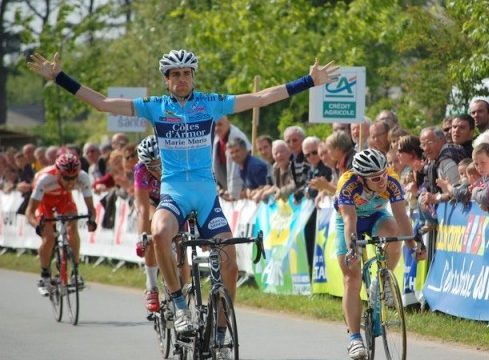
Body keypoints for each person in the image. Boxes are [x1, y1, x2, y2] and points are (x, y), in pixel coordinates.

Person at [28, 50, 338, 337]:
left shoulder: (210, 103)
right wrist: (59, 78)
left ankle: (219, 331)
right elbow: (103, 103)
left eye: (186, 73)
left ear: (193, 76)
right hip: (174, 193)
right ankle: (177, 304)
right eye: (174, 74)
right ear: (166, 80)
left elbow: (259, 97)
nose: (181, 79)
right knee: (160, 233)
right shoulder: (155, 107)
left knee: (230, 262)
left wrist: (308, 81)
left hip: (206, 196)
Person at [334, 149, 423, 359]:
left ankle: (382, 280)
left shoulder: (391, 180)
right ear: (361, 177)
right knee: (351, 278)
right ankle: (355, 339)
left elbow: (401, 217)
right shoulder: (348, 184)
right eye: (375, 178)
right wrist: (351, 249)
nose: (382, 180)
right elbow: (349, 222)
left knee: (393, 233)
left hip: (376, 216)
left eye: (383, 173)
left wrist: (412, 245)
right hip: (349, 220)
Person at [25, 153, 97, 295]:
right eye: (66, 177)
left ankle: (75, 271)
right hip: (44, 201)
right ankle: (45, 276)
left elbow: (91, 208)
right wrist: (36, 225)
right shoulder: (44, 179)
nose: (70, 182)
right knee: (49, 237)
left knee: (72, 229)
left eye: (73, 177)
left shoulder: (83, 177)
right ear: (57, 172)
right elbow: (29, 211)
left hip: (64, 198)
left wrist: (92, 220)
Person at [133, 135, 163, 314]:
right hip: (152, 201)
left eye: (161, 164)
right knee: (153, 227)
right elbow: (143, 209)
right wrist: (141, 237)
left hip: (172, 199)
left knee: (181, 241)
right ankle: (151, 286)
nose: (158, 170)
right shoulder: (140, 170)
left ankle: (184, 289)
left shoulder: (175, 162)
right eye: (152, 166)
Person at [213, 115, 251, 201]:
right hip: (225, 189)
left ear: (228, 124)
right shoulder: (217, 138)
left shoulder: (237, 137)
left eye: (220, 124)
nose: (217, 128)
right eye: (215, 125)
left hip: (242, 188)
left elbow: (239, 166)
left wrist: (234, 193)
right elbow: (215, 165)